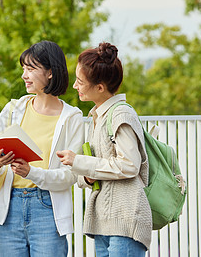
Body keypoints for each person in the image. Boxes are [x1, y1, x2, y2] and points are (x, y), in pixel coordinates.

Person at [0, 40, 85, 257]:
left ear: (50, 72)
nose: (24, 75)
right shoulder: (13, 109)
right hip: (9, 207)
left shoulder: (72, 118)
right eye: (24, 69)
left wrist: (32, 172)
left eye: (31, 69)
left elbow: (72, 175)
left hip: (47, 208)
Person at [57, 42, 152, 256]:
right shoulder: (97, 116)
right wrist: (87, 177)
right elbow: (97, 170)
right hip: (105, 222)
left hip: (125, 220)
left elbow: (129, 165)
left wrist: (78, 162)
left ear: (100, 87)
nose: (75, 86)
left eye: (80, 82)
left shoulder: (120, 115)